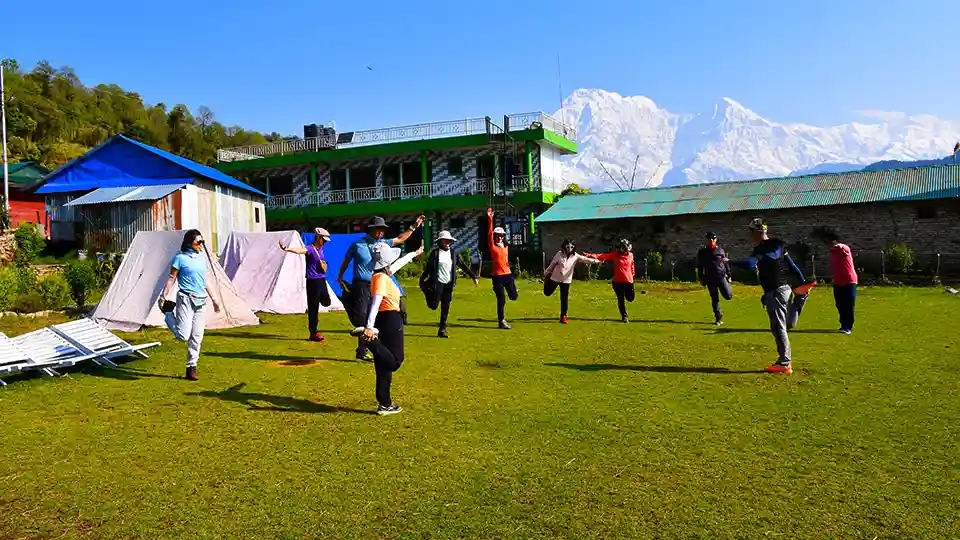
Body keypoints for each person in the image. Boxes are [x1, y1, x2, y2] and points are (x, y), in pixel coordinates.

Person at [726, 218, 817, 374]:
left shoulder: (764, 249)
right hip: (783, 289)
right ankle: (800, 298)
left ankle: (784, 363)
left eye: (751, 233)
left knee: (778, 327)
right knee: (787, 325)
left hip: (776, 291)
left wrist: (729, 261)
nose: (750, 237)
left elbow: (749, 264)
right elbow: (792, 266)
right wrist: (802, 283)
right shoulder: (777, 244)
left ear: (756, 232)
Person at [338, 215, 425, 361]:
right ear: (371, 229)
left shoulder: (383, 244)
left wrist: (414, 226)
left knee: (376, 316)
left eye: (383, 230)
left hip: (379, 283)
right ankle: (364, 344)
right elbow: (346, 261)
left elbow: (400, 239)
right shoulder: (357, 244)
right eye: (378, 229)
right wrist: (340, 276)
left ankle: (364, 348)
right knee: (361, 317)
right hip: (361, 284)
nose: (381, 232)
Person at [351, 242, 423, 416]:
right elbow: (375, 302)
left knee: (383, 365)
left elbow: (399, 264)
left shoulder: (381, 275)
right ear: (386, 262)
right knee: (396, 361)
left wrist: (414, 253)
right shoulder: (382, 279)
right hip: (390, 318)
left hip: (384, 319)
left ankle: (385, 404)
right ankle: (370, 341)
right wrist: (368, 328)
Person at [158, 230, 221, 381]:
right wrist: (164, 295)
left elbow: (206, 281)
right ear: (189, 243)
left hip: (201, 300)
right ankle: (168, 314)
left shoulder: (201, 259)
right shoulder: (179, 258)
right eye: (199, 242)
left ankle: (191, 368)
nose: (201, 245)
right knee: (183, 335)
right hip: (186, 298)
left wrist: (215, 299)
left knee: (197, 337)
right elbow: (172, 278)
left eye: (202, 242)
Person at [419, 230, 479, 338]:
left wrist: (473, 276)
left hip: (448, 284)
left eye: (449, 240)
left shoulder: (453, 253)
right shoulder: (435, 253)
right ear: (440, 241)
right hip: (437, 283)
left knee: (445, 306)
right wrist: (422, 281)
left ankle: (442, 329)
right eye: (445, 240)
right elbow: (428, 268)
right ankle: (427, 293)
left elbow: (463, 265)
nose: (447, 242)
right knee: (433, 305)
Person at [280, 227, 332, 342]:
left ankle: (317, 301)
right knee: (313, 308)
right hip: (312, 281)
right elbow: (300, 251)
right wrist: (287, 249)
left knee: (327, 302)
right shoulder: (310, 249)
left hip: (322, 280)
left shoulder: (321, 250)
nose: (325, 243)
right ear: (318, 238)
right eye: (323, 240)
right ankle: (313, 333)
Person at [542, 239, 600, 323]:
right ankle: (547, 282)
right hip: (555, 278)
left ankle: (563, 316)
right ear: (564, 246)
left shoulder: (575, 256)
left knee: (564, 298)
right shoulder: (559, 254)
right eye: (568, 246)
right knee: (547, 293)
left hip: (566, 280)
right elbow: (552, 264)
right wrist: (546, 273)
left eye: (572, 247)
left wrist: (597, 261)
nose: (570, 248)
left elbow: (585, 259)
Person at [584, 239, 636, 323]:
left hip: (628, 281)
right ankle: (624, 316)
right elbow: (603, 256)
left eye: (626, 249)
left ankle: (625, 313)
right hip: (617, 282)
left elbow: (632, 266)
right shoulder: (615, 254)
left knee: (630, 298)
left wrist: (632, 275)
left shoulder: (631, 255)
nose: (625, 251)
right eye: (623, 249)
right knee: (621, 299)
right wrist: (591, 255)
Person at [487, 208, 517, 329]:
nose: (499, 238)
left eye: (501, 236)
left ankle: (512, 292)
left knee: (514, 297)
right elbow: (489, 234)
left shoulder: (506, 246)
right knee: (501, 299)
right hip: (497, 277)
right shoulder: (492, 246)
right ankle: (501, 321)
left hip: (508, 275)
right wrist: (490, 219)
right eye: (497, 236)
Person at [696, 232, 733, 325]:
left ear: (715, 240)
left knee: (728, 296)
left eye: (713, 239)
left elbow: (726, 263)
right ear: (707, 240)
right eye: (709, 239)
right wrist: (701, 277)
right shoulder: (703, 252)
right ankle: (718, 318)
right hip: (710, 278)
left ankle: (727, 288)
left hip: (721, 277)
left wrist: (729, 275)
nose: (711, 241)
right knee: (714, 299)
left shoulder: (720, 250)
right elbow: (700, 266)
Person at [825, 231, 858, 334]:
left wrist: (837, 245)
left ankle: (849, 327)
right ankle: (843, 325)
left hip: (849, 281)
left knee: (848, 304)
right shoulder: (832, 252)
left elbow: (843, 248)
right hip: (838, 281)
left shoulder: (844, 248)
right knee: (839, 304)